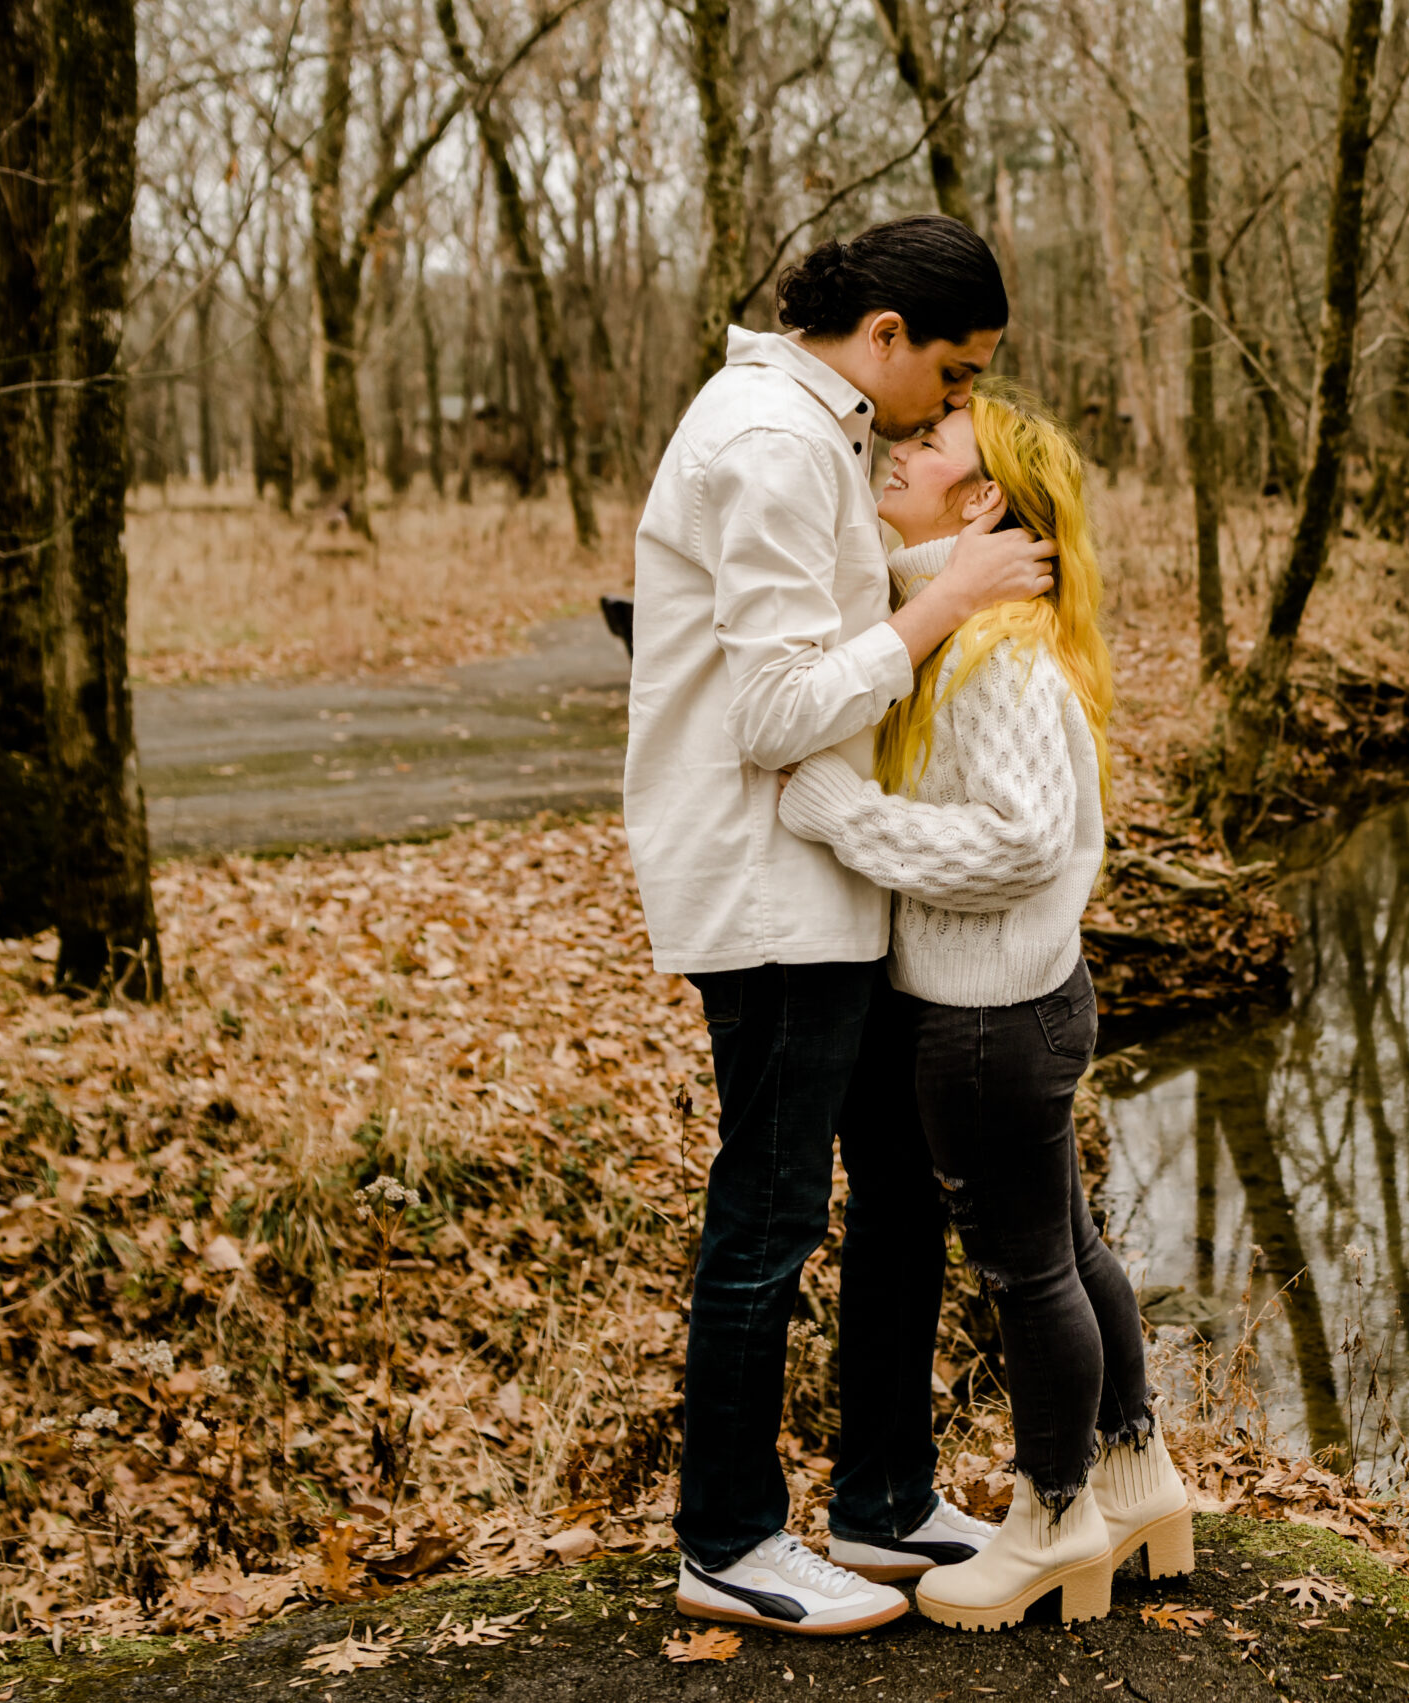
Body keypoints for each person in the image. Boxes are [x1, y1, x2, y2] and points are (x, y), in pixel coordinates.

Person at [625, 214, 1056, 1638]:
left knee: (894, 1186)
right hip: (766, 892)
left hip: (834, 888)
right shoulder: (767, 437)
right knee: (768, 1216)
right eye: (956, 368)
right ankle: (730, 1536)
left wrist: (928, 584)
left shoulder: (814, 434)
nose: (955, 403)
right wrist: (945, 596)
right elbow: (769, 709)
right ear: (885, 338)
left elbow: (814, 633)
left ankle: (882, 1495)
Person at [774, 379, 1192, 1633]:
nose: (897, 450)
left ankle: (1053, 1521)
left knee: (1026, 1275)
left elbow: (1017, 840)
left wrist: (845, 818)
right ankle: (1137, 1477)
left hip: (986, 1020)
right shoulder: (981, 623)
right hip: (1025, 999)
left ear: (986, 495)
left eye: (928, 442)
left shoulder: (996, 651)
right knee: (1071, 1249)